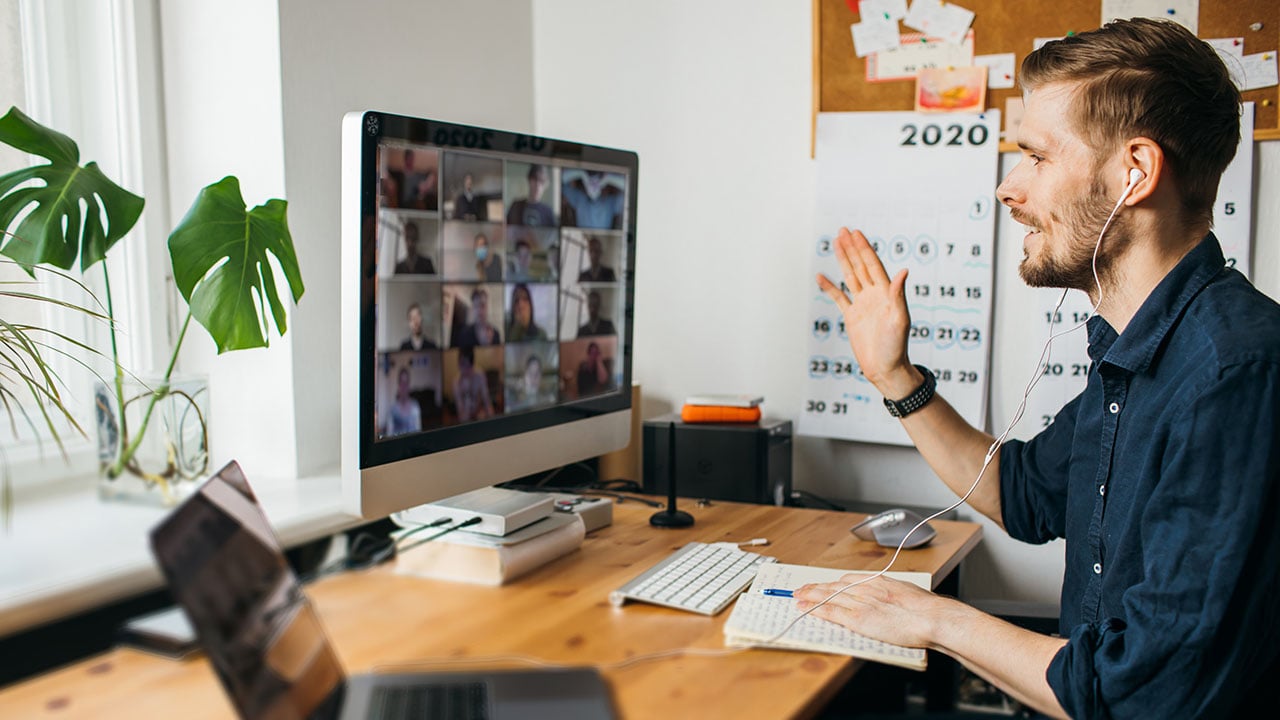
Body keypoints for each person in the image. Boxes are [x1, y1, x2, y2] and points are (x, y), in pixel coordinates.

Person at [804, 19, 1280, 718]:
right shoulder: (1140, 347)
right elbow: (1022, 494)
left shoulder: (1234, 373)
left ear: (1135, 173)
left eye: (1036, 157)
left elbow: (1143, 694)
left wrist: (934, 620)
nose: (1009, 188)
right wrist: (894, 376)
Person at [452, 346, 493, 422]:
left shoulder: (480, 375)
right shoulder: (456, 383)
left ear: (472, 364)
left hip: (480, 415)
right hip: (465, 419)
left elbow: (487, 401)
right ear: (459, 364)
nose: (465, 370)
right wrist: (467, 394)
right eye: (462, 364)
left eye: (468, 366)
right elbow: (461, 415)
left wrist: (492, 420)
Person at [386, 367, 421, 436]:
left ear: (409, 385)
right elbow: (389, 435)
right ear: (398, 385)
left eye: (406, 383)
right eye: (401, 382)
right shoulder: (392, 410)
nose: (404, 386)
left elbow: (419, 432)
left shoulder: (415, 407)